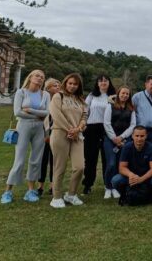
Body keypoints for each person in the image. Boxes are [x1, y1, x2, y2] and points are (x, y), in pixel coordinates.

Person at [1, 69, 50, 204]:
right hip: (23, 126)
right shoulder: (21, 92)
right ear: (31, 77)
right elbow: (18, 112)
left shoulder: (45, 94)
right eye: (37, 76)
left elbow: (47, 112)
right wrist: (37, 115)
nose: (39, 78)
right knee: (19, 160)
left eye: (42, 77)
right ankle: (7, 192)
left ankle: (30, 191)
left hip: (39, 128)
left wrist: (32, 111)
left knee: (36, 160)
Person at [48, 73, 88, 208]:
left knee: (80, 166)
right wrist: (70, 130)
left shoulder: (80, 100)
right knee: (60, 167)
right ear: (65, 83)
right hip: (60, 133)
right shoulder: (58, 96)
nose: (72, 86)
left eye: (75, 84)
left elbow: (84, 117)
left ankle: (71, 194)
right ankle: (57, 197)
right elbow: (56, 114)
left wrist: (78, 129)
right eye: (70, 83)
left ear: (79, 86)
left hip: (77, 135)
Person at [112, 126, 152, 205]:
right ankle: (124, 196)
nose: (139, 139)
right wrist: (131, 175)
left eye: (142, 136)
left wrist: (141, 179)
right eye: (137, 136)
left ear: (146, 136)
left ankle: (151, 196)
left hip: (147, 177)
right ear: (132, 136)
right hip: (131, 177)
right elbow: (122, 168)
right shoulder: (127, 147)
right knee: (115, 180)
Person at [82, 75, 116, 195]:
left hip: (107, 128)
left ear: (109, 82)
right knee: (90, 158)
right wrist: (83, 124)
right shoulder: (92, 95)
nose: (103, 83)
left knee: (108, 159)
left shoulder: (114, 96)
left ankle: (109, 185)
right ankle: (87, 184)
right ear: (97, 83)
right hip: (91, 128)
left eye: (105, 80)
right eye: (100, 81)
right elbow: (85, 111)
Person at [102, 85, 136, 200]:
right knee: (111, 164)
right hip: (110, 139)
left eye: (127, 94)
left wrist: (121, 137)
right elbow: (106, 123)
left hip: (125, 139)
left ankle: (116, 187)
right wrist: (114, 138)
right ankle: (108, 187)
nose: (125, 95)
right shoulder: (110, 106)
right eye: (123, 93)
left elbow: (133, 125)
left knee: (120, 164)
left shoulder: (131, 108)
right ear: (118, 94)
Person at [37, 78, 61, 196]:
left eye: (58, 86)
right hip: (42, 133)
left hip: (56, 133)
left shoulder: (61, 100)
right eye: (55, 86)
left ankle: (52, 185)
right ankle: (40, 185)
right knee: (42, 160)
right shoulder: (42, 100)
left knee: (54, 160)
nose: (57, 87)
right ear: (48, 88)